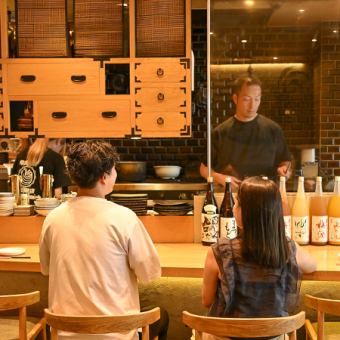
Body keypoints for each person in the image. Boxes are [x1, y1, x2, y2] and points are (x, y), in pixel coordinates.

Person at [39, 140, 168, 340]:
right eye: (114, 169)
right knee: (163, 317)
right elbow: (149, 272)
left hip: (64, 335)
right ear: (103, 177)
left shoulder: (52, 219)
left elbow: (46, 269)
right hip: (117, 335)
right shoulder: (124, 218)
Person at [202, 177, 317, 340]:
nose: (234, 207)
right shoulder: (288, 249)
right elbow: (312, 265)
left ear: (247, 212)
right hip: (273, 337)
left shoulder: (220, 251)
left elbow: (206, 301)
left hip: (226, 336)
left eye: (237, 203)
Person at [200, 74, 292, 190]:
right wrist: (221, 178)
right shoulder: (221, 132)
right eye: (246, 99)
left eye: (257, 99)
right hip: (232, 195)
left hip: (267, 196)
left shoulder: (273, 129)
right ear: (235, 99)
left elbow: (285, 161)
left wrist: (284, 170)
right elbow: (204, 168)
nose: (252, 105)